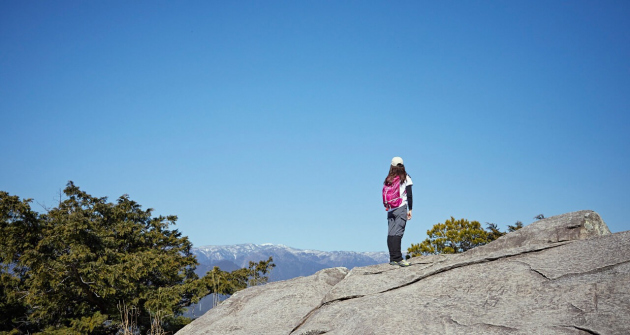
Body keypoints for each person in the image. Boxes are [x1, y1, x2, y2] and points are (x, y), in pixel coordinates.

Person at [383, 156, 413, 267]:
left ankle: (392, 258)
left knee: (391, 233)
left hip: (390, 209)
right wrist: (410, 209)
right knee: (398, 233)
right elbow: (409, 194)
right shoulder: (405, 177)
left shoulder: (389, 178)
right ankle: (398, 258)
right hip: (400, 207)